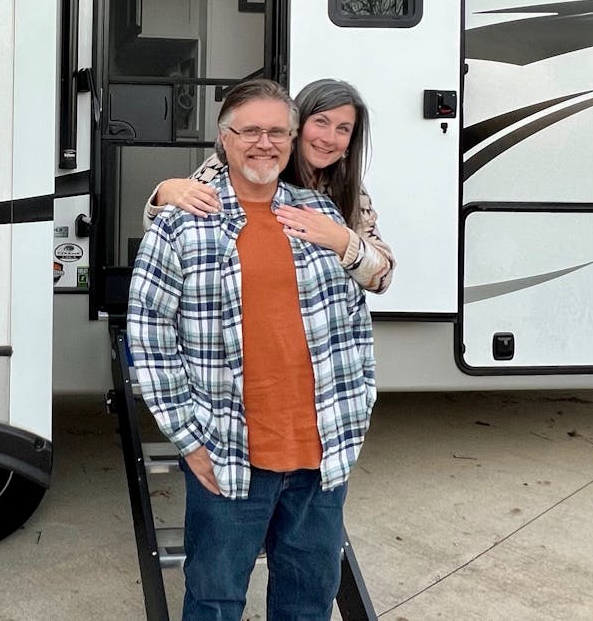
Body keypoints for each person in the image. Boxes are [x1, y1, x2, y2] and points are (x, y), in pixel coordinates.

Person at [127, 78, 375, 621]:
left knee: (308, 604)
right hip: (228, 452)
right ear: (225, 138)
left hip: (322, 456)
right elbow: (149, 335)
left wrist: (356, 411)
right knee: (214, 601)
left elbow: (355, 323)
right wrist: (189, 439)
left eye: (277, 132)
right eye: (251, 131)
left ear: (291, 140)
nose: (265, 143)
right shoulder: (182, 223)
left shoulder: (322, 214)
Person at [143, 78, 395, 294]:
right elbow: (163, 233)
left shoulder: (347, 186)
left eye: (343, 129)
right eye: (321, 122)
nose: (329, 138)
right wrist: (163, 192)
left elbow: (382, 278)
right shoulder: (234, 162)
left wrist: (341, 240)